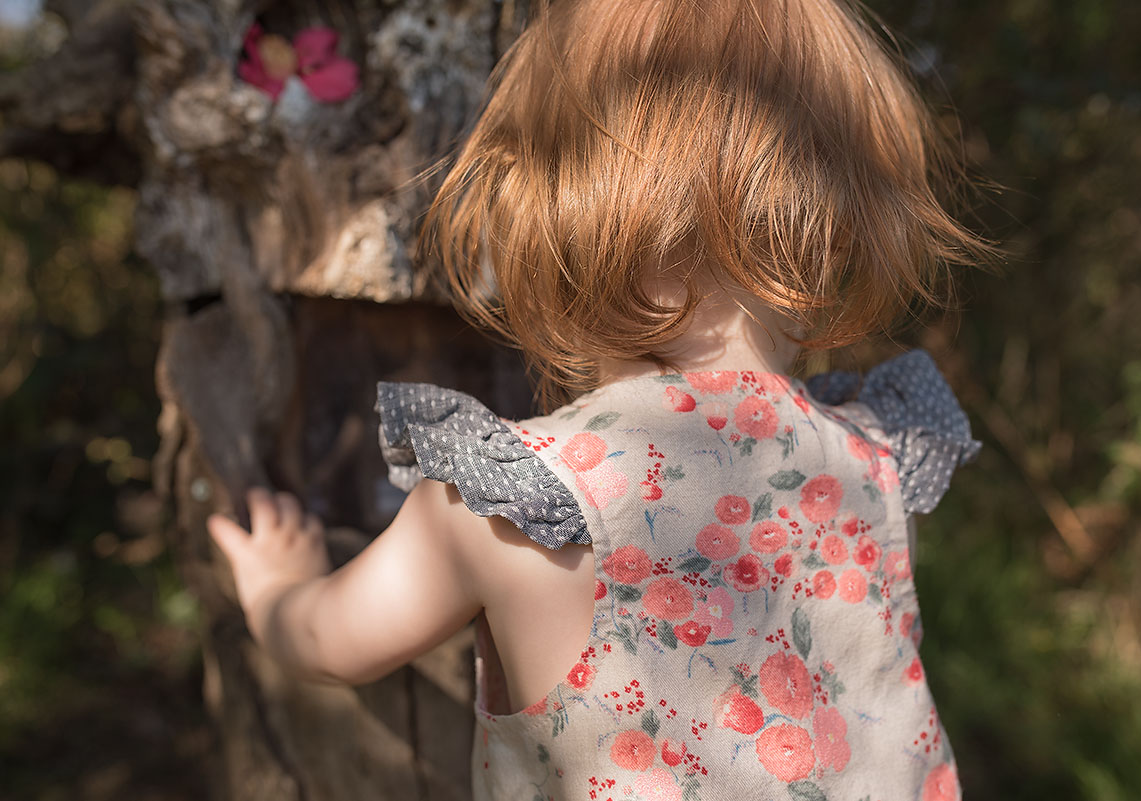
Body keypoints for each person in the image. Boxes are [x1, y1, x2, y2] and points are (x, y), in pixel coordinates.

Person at [207, 0, 994, 798]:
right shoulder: (876, 466)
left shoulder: (518, 498)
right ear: (836, 232)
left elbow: (330, 641)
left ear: (545, 213)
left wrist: (276, 586)